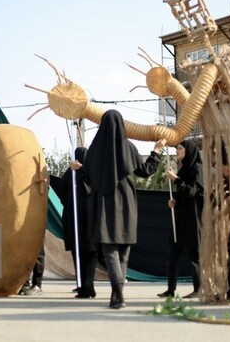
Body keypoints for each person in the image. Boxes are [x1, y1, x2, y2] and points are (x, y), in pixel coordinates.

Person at [82, 109, 166, 309]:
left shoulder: (94, 149)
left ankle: (117, 295)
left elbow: (87, 178)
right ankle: (117, 294)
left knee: (110, 251)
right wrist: (156, 151)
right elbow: (145, 171)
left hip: (104, 205)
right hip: (126, 205)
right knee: (124, 252)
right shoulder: (128, 147)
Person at [157, 139, 204, 299]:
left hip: (193, 219)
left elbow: (191, 192)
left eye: (180, 149)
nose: (177, 151)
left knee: (194, 256)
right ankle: (171, 289)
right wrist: (174, 201)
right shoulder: (184, 170)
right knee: (173, 255)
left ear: (189, 151)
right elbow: (182, 194)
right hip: (180, 218)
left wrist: (176, 179)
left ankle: (199, 289)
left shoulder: (197, 170)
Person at [62, 146, 97, 298]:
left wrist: (76, 170)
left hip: (78, 220)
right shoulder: (75, 173)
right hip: (86, 220)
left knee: (84, 253)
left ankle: (86, 286)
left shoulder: (79, 173)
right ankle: (83, 285)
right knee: (84, 253)